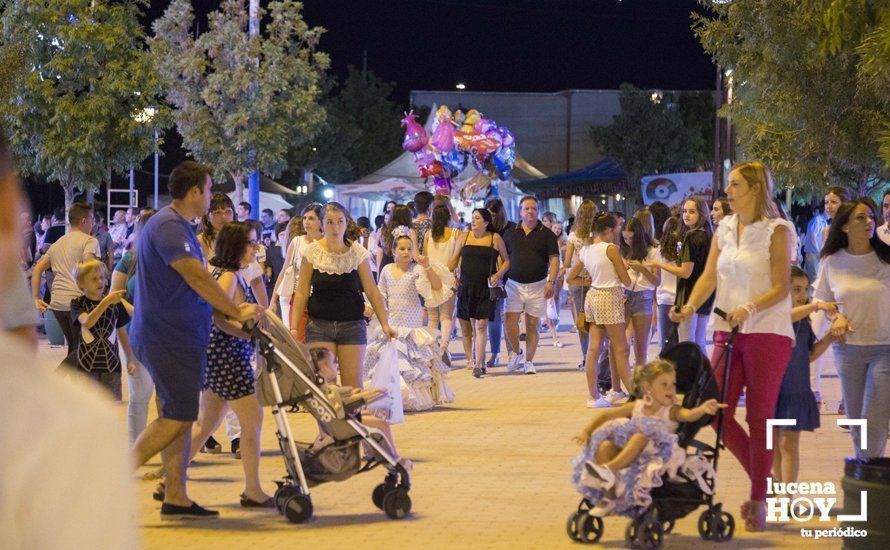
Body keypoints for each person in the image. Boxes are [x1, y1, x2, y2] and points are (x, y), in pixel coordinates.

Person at [0, 136, 136, 548]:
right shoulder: (89, 245)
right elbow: (93, 277)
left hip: (55, 310)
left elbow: (36, 267)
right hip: (77, 310)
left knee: (64, 362)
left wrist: (37, 296)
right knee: (63, 395)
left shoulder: (56, 241)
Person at [130, 161, 263, 520]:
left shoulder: (175, 225)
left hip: (175, 335)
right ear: (194, 192)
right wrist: (236, 313)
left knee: (178, 415)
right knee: (176, 418)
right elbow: (198, 279)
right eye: (207, 190)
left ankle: (176, 495)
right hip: (167, 336)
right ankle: (109, 476)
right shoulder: (170, 226)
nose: (211, 197)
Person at [672, 161, 794, 531]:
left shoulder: (777, 230)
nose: (728, 190)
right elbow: (709, 276)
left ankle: (758, 500)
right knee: (712, 409)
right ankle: (764, 481)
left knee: (760, 418)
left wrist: (750, 308)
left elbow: (782, 286)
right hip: (726, 329)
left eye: (735, 185)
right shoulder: (724, 228)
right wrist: (690, 307)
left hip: (767, 332)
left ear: (755, 189)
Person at [171, 221, 274, 507]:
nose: (256, 248)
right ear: (238, 246)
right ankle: (253, 490)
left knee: (207, 423)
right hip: (228, 354)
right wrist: (246, 330)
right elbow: (217, 317)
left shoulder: (219, 272)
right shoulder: (229, 276)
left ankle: (170, 479)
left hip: (216, 354)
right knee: (253, 421)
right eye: (252, 243)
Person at [571, 358, 725, 517]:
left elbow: (688, 415)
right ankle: (609, 496)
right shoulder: (637, 406)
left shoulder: (671, 410)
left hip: (660, 454)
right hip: (634, 453)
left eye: (673, 383)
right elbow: (607, 414)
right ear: (647, 388)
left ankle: (608, 470)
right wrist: (587, 431)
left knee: (639, 437)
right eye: (664, 384)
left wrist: (701, 409)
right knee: (605, 447)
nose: (670, 388)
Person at [291, 202, 396, 391]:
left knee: (353, 388)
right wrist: (292, 328)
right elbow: (302, 291)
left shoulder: (357, 253)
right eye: (330, 222)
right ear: (322, 224)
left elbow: (371, 291)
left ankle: (356, 421)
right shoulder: (311, 252)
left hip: (352, 325)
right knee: (325, 388)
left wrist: (385, 324)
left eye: (340, 221)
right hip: (319, 325)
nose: (335, 227)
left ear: (346, 223)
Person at [814, 198, 890, 459]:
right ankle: (865, 481)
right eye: (861, 218)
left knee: (875, 420)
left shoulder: (886, 258)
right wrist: (835, 316)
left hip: (885, 349)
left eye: (871, 216)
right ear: (844, 226)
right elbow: (821, 300)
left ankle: (866, 475)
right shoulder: (831, 261)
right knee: (857, 423)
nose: (869, 222)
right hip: (847, 351)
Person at [366, 228, 455, 410]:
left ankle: (412, 399)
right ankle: (392, 398)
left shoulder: (417, 270)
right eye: (402, 249)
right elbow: (381, 293)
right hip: (392, 325)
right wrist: (370, 307)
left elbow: (437, 286)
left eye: (409, 249)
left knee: (413, 366)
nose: (406, 252)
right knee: (392, 362)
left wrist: (427, 266)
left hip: (412, 327)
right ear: (393, 251)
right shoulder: (387, 270)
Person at [772, 267, 834, 486]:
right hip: (771, 392)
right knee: (773, 445)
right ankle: (779, 487)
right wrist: (817, 305)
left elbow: (809, 355)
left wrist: (830, 337)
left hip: (795, 392)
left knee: (788, 443)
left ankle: (787, 496)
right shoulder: (774, 317)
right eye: (796, 289)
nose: (803, 295)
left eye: (805, 290)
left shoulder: (804, 324)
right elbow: (783, 315)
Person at [567, 213, 634, 408]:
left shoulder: (586, 250)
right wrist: (627, 268)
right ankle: (634, 393)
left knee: (593, 349)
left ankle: (594, 396)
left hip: (593, 297)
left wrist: (587, 281)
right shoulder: (611, 249)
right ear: (608, 230)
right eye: (616, 229)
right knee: (621, 348)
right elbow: (626, 281)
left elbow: (571, 278)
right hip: (610, 297)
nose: (617, 233)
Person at [111, 209, 157, 445]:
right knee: (140, 394)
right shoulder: (130, 258)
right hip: (133, 334)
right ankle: (136, 446)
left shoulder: (171, 258)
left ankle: (168, 448)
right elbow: (114, 295)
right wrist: (132, 310)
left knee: (167, 396)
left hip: (164, 336)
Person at [30, 202, 100, 360]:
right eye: (92, 220)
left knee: (75, 349)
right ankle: (57, 380)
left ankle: (69, 381)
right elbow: (89, 264)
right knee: (81, 351)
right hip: (78, 304)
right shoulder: (90, 241)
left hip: (57, 305)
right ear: (83, 221)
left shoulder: (57, 244)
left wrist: (36, 298)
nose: (93, 223)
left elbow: (37, 269)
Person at [502, 196, 560, 375]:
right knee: (509, 320)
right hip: (513, 285)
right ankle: (516, 352)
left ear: (538, 211)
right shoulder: (510, 232)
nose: (530, 211)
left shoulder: (547, 234)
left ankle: (529, 361)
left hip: (538, 285)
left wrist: (551, 281)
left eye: (533, 208)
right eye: (526, 208)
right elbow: (502, 257)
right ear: (520, 211)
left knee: (532, 325)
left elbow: (554, 259)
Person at [449, 208, 510, 378]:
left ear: (486, 222)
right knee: (473, 327)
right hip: (467, 286)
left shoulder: (494, 238)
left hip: (485, 286)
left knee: (481, 325)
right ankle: (481, 361)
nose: (473, 221)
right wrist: (452, 273)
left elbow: (506, 262)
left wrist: (498, 275)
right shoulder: (464, 237)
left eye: (477, 218)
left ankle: (477, 364)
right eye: (472, 218)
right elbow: (453, 260)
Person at [648, 198, 714, 352]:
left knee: (686, 344)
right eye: (685, 211)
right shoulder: (708, 236)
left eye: (692, 211)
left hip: (688, 297)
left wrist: (658, 264)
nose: (686, 215)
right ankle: (703, 375)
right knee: (699, 343)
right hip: (704, 296)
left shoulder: (691, 237)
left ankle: (691, 376)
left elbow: (685, 272)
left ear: (702, 214)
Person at [69, 260, 135, 399]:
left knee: (112, 408)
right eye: (94, 279)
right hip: (86, 366)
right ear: (81, 284)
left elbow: (121, 331)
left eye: (102, 277)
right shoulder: (77, 303)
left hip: (112, 366)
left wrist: (129, 358)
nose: (100, 282)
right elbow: (87, 322)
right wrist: (106, 302)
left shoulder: (114, 303)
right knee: (87, 406)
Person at [271, 203, 322, 335]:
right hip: (298, 298)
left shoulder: (327, 243)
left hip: (321, 300)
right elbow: (284, 271)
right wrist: (273, 301)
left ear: (321, 220)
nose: (306, 222)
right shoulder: (297, 241)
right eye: (304, 218)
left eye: (311, 218)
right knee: (298, 342)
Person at [620, 216, 660, 368]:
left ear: (639, 236)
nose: (628, 241)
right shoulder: (622, 249)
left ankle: (639, 385)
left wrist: (643, 269)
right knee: (621, 345)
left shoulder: (653, 251)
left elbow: (657, 281)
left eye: (631, 238)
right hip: (624, 295)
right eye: (625, 238)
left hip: (644, 296)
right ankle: (621, 382)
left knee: (640, 347)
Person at [425, 196, 461, 362]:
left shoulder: (428, 235)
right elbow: (457, 259)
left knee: (432, 318)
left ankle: (432, 350)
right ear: (448, 217)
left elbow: (425, 258)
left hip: (429, 279)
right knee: (446, 316)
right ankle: (444, 349)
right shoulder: (456, 233)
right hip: (448, 279)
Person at [564, 200, 597, 371]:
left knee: (582, 322)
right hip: (597, 280)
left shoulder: (573, 235)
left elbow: (568, 262)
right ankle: (597, 357)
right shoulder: (596, 234)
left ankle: (586, 358)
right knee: (597, 322)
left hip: (578, 282)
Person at [484, 197, 516, 368]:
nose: (490, 219)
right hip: (491, 278)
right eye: (487, 215)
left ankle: (512, 352)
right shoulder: (484, 229)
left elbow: (512, 255)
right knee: (494, 317)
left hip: (509, 276)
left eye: (493, 215)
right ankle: (495, 353)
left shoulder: (510, 228)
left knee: (508, 316)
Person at [654, 216, 682, 351]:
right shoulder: (683, 248)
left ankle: (667, 370)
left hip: (664, 299)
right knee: (681, 342)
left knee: (666, 342)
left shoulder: (658, 250)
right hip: (680, 299)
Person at [377, 204, 415, 272]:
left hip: (385, 267)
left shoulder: (385, 231)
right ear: (407, 217)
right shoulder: (409, 231)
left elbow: (380, 253)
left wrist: (378, 272)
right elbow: (414, 253)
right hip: (403, 268)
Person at [412, 191, 433, 255]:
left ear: (415, 207)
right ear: (430, 206)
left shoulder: (410, 224)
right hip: (427, 261)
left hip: (410, 261)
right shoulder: (432, 225)